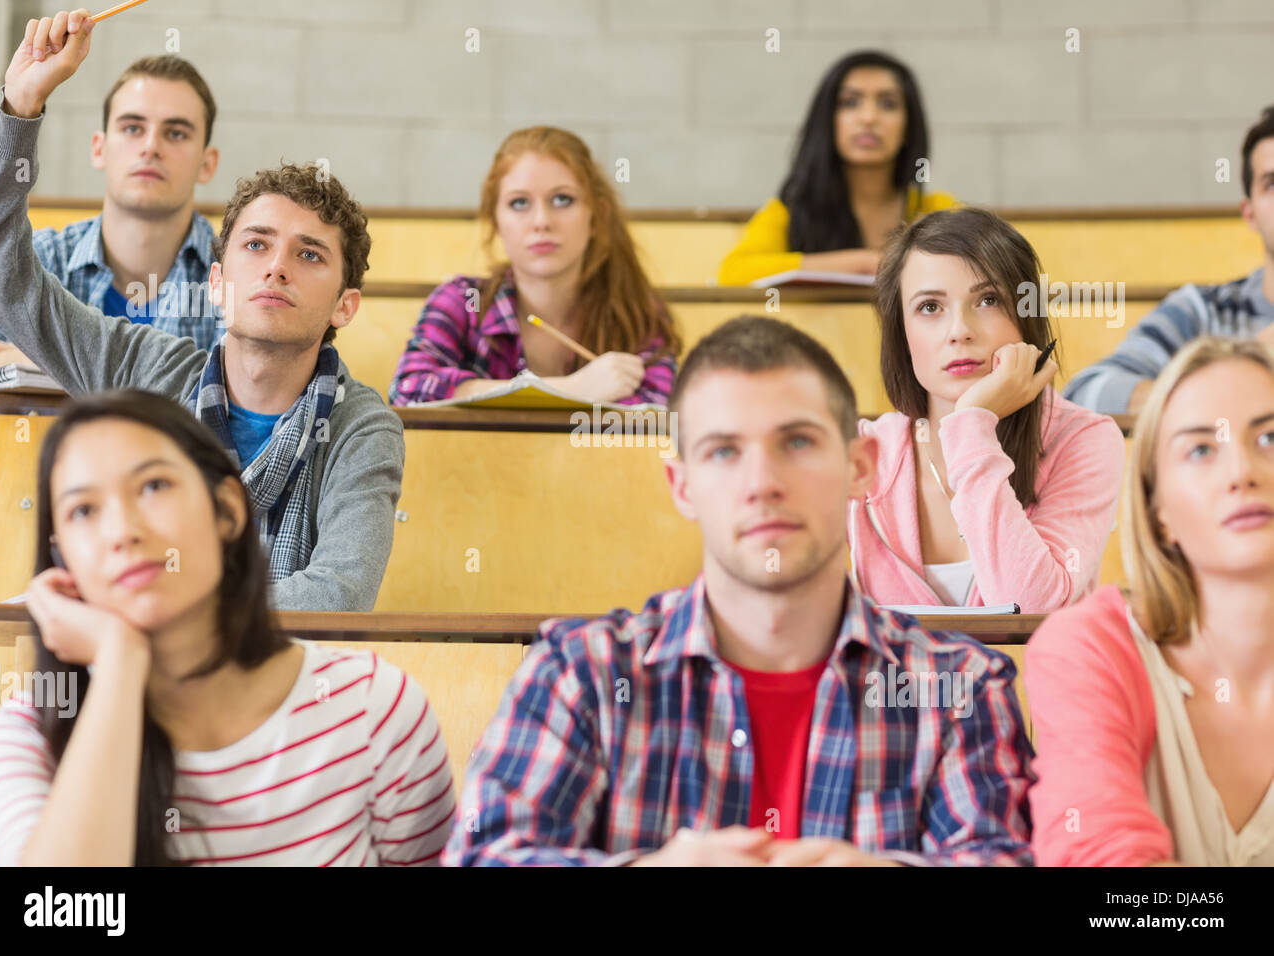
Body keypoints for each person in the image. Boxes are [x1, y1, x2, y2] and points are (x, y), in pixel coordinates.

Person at [444, 316, 1034, 866]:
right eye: (724, 451)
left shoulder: (961, 688)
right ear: (682, 486)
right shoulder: (581, 673)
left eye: (797, 443)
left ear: (862, 467)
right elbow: (485, 853)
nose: (763, 483)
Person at [0, 9, 404, 611]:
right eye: (256, 245)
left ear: (345, 306)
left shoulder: (363, 427)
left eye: (308, 255)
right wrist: (19, 108)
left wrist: (156, 607)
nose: (277, 267)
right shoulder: (149, 370)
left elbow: (338, 595)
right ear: (219, 284)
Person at [0, 391, 453, 865]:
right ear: (61, 557)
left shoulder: (374, 706)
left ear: (226, 510)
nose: (122, 531)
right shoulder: (23, 741)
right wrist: (120, 662)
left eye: (153, 486)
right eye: (84, 511)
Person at [0, 52, 223, 585]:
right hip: (14, 525)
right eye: (132, 127)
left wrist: (44, 358)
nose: (151, 145)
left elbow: (232, 401)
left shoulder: (237, 277)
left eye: (176, 132)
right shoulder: (39, 258)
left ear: (208, 162)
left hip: (168, 548)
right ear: (99, 147)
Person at [1028, 337, 1274, 866]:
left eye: (1271, 437)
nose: (1242, 474)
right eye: (1201, 449)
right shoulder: (1090, 649)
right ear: (1158, 508)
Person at [849, 208, 1125, 610]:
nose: (960, 330)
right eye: (930, 307)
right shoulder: (867, 450)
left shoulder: (1085, 440)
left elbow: (1028, 607)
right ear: (901, 332)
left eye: (988, 300)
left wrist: (971, 425)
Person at [389, 126, 680, 407]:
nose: (541, 221)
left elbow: (658, 414)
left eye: (562, 199)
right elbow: (407, 392)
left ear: (596, 216)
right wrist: (573, 389)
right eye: (519, 203)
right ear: (496, 221)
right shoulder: (463, 301)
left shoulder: (637, 313)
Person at [1063, 106, 1274, 416]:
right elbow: (1084, 394)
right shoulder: (1202, 311)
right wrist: (1237, 380)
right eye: (1273, 184)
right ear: (1249, 213)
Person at [717, 50, 954, 286]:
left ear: (908, 126)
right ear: (827, 123)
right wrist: (863, 263)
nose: (869, 118)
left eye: (887, 104)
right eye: (850, 102)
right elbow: (733, 274)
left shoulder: (936, 211)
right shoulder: (790, 212)